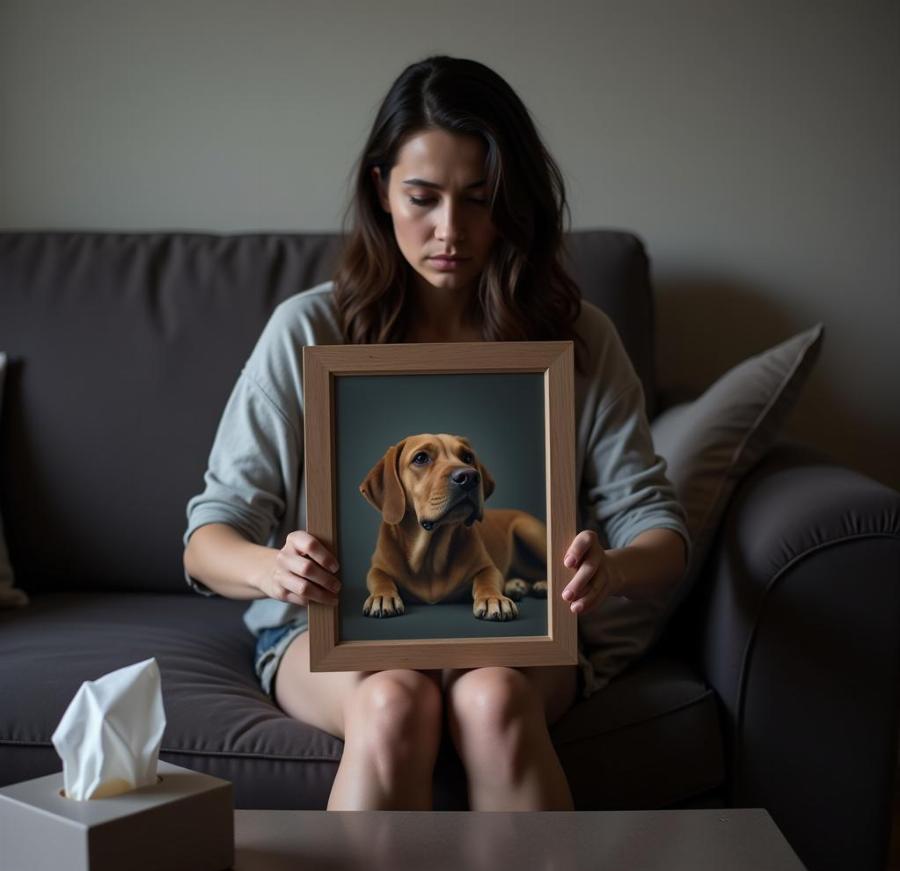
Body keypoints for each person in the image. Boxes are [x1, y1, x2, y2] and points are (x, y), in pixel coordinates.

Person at [182, 55, 690, 812]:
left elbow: (658, 527)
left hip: (516, 639)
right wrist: (273, 571)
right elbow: (208, 536)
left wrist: (610, 570)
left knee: (493, 704)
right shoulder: (307, 330)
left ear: (513, 204)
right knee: (393, 706)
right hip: (331, 641)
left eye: (480, 201)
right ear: (381, 188)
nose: (450, 230)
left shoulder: (576, 339)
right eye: (422, 197)